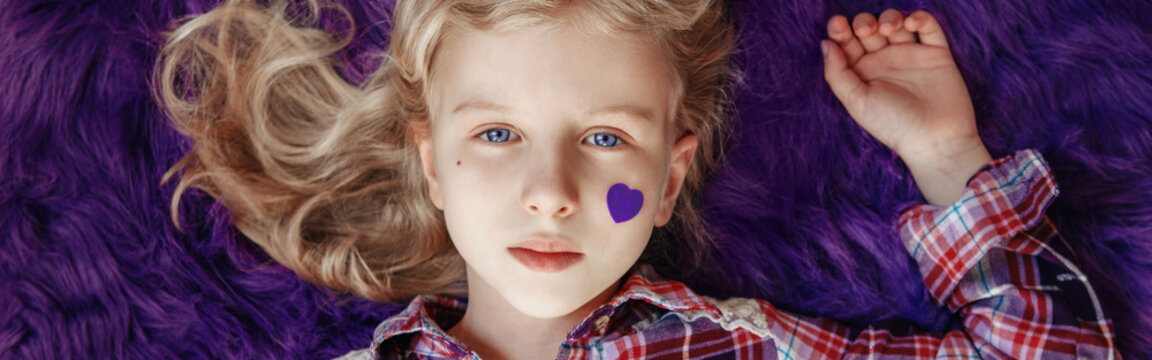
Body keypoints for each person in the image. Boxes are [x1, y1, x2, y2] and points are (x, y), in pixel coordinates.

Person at [154, 0, 1119, 358]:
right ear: (431, 166)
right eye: (496, 133)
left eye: (608, 139)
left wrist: (945, 158)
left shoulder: (742, 350)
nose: (552, 190)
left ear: (669, 180)